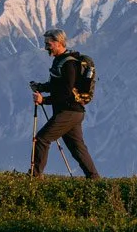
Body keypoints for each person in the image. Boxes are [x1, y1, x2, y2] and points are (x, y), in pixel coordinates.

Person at [29, 29, 99, 178]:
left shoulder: (69, 64)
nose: (46, 47)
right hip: (73, 112)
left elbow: (66, 92)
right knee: (77, 148)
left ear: (59, 43)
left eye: (48, 44)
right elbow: (57, 86)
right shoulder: (61, 61)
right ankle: (95, 179)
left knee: (42, 139)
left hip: (68, 111)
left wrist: (44, 100)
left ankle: (35, 176)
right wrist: (40, 87)